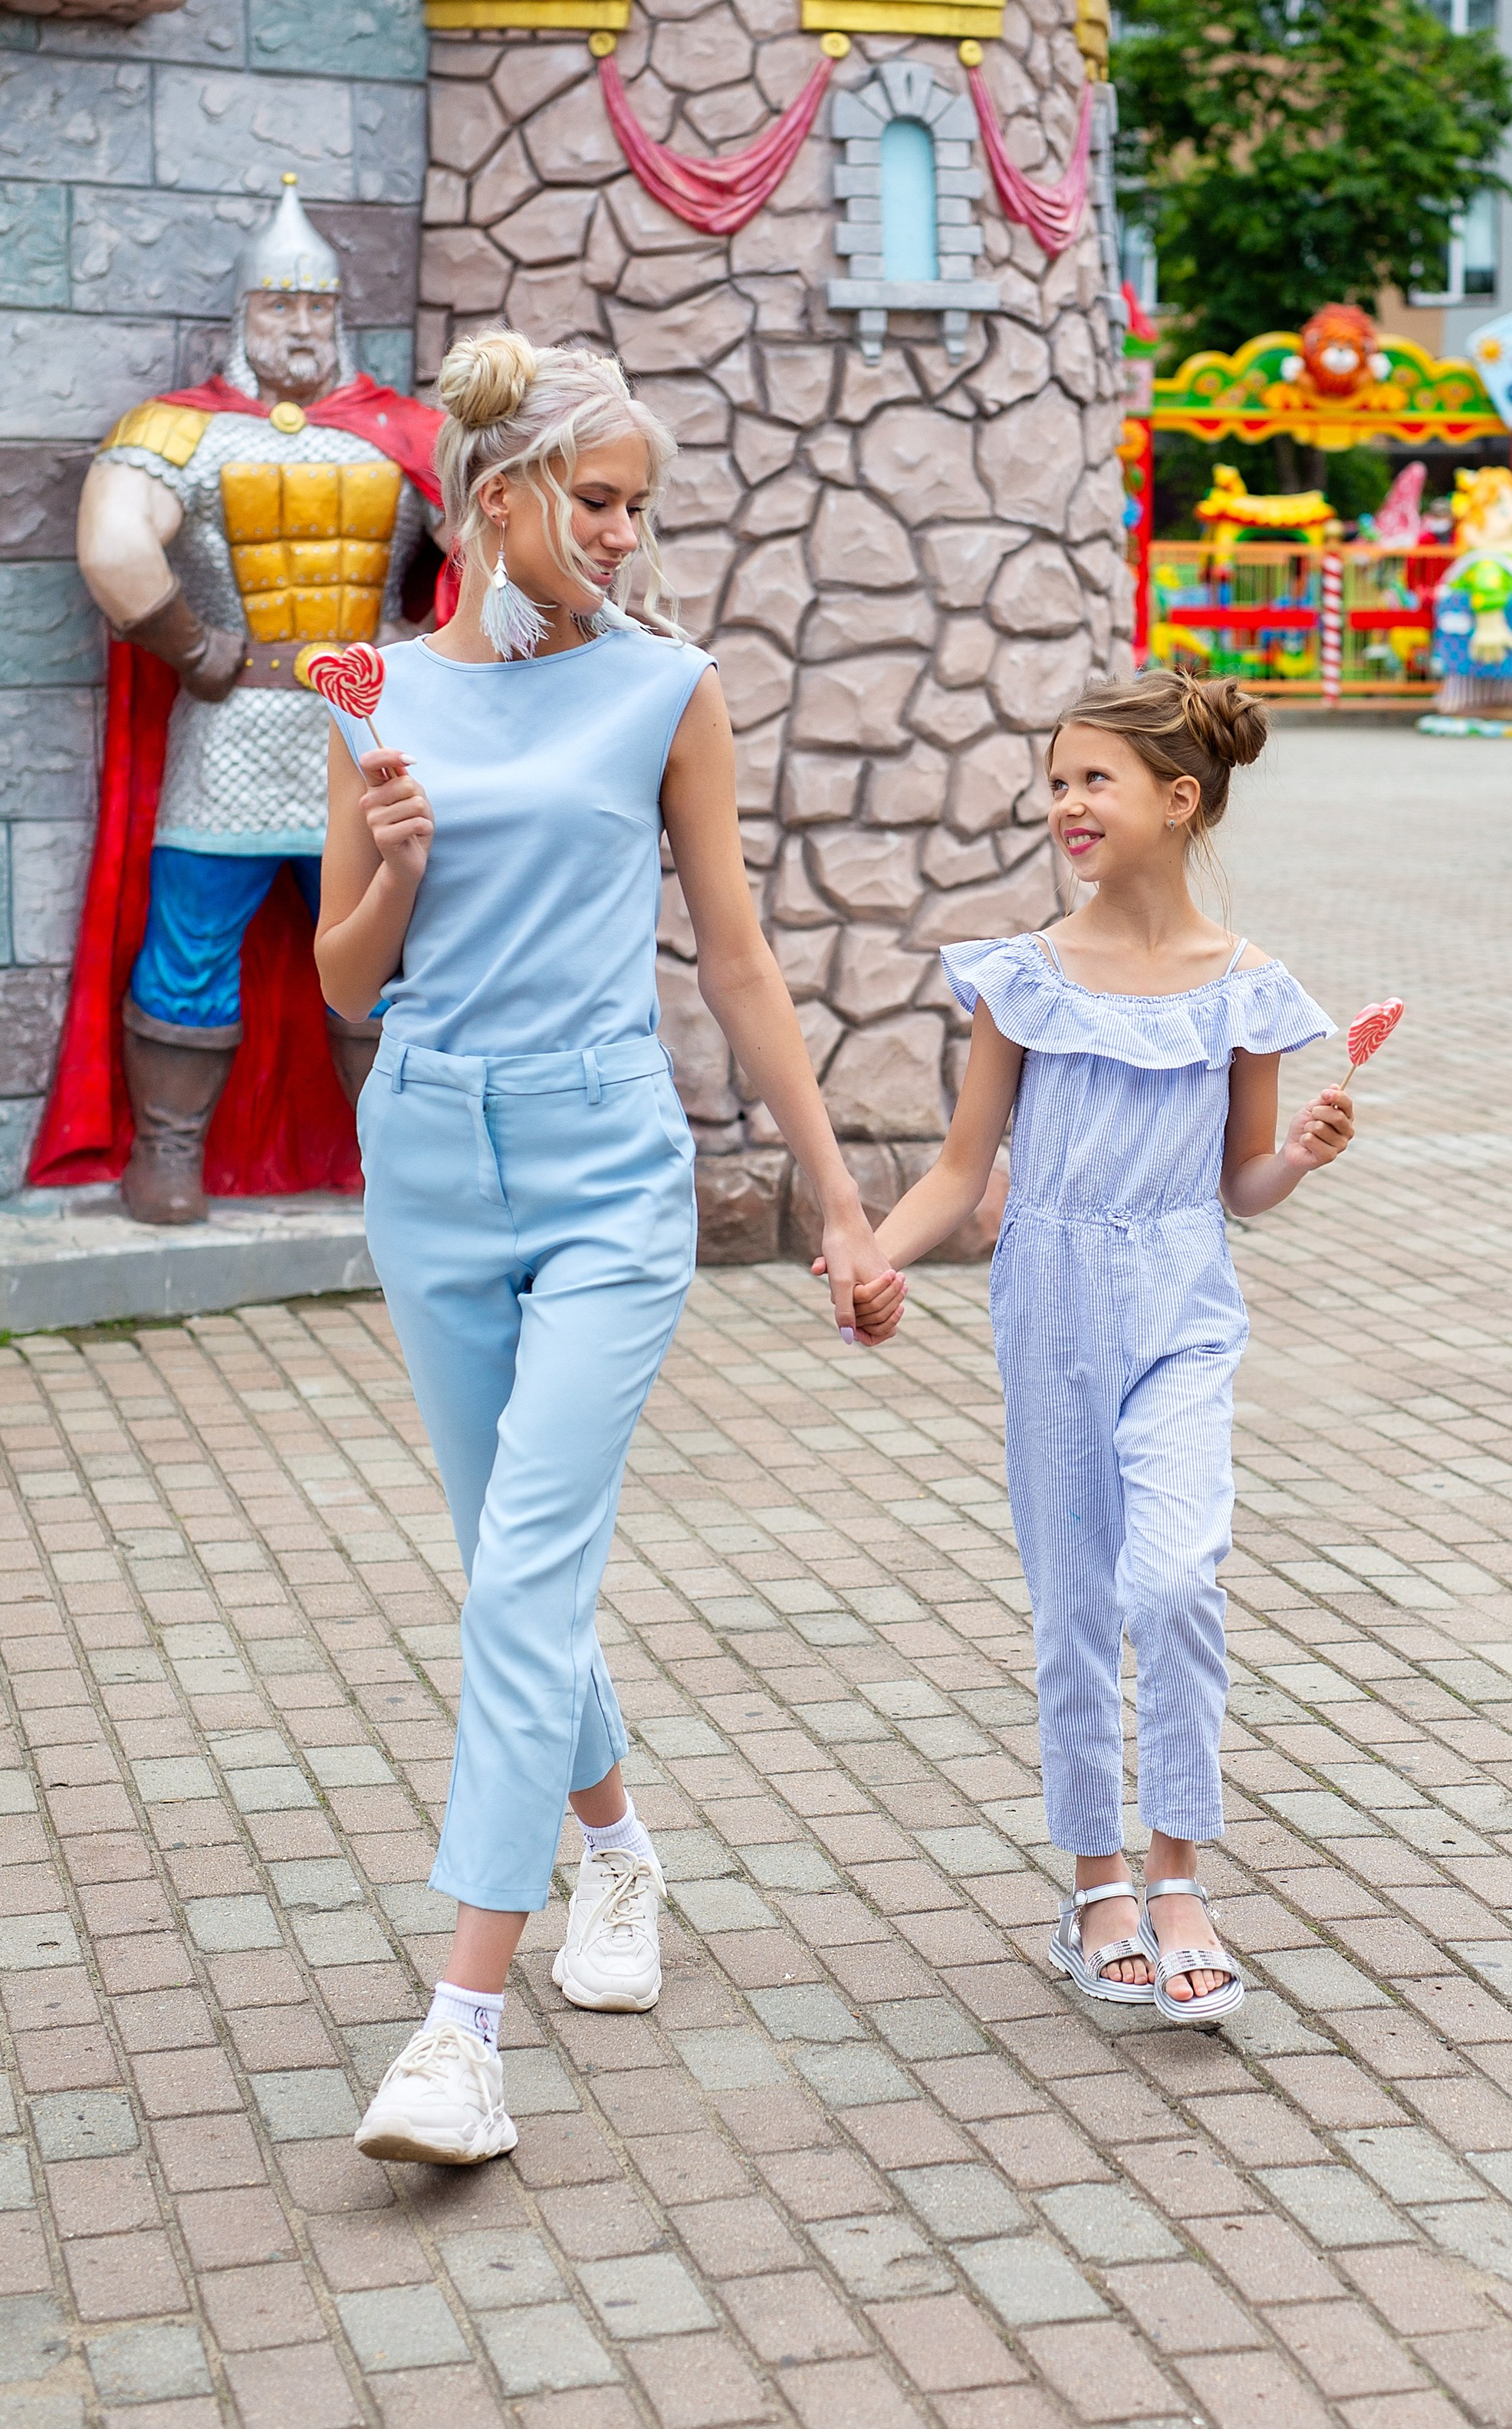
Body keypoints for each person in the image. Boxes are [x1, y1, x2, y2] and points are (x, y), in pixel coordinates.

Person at [314, 330, 900, 2164]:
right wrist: (395, 866)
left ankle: (458, 2025)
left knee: (520, 1574)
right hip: (422, 1145)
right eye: (599, 501)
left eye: (642, 505)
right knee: (509, 1563)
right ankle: (618, 1854)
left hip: (601, 1166)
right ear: (501, 505)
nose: (630, 534)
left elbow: (732, 955)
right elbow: (341, 981)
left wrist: (838, 1196)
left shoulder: (669, 691)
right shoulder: (376, 693)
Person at [849, 672, 1355, 2023]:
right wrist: (873, 1257)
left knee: (1178, 1575)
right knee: (1075, 1601)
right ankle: (1094, 1885)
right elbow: (964, 1172)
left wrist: (1295, 1158)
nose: (1065, 804)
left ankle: (1180, 1871)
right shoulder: (1022, 980)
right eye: (1058, 779)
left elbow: (1241, 1184)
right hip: (1050, 1303)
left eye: (1095, 781)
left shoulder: (1245, 989)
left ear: (1178, 802)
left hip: (1184, 1299)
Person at [46, 177, 446, 1219]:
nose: (301, 325)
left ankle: (392, 1163)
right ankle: (169, 1155)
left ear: (340, 314)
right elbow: (115, 541)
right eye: (280, 304)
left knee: (381, 948)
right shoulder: (178, 431)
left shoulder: (405, 432)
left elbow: (489, 551)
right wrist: (192, 645)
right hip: (226, 729)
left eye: (317, 306)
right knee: (189, 943)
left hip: (364, 732)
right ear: (244, 313)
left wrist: (437, 652)